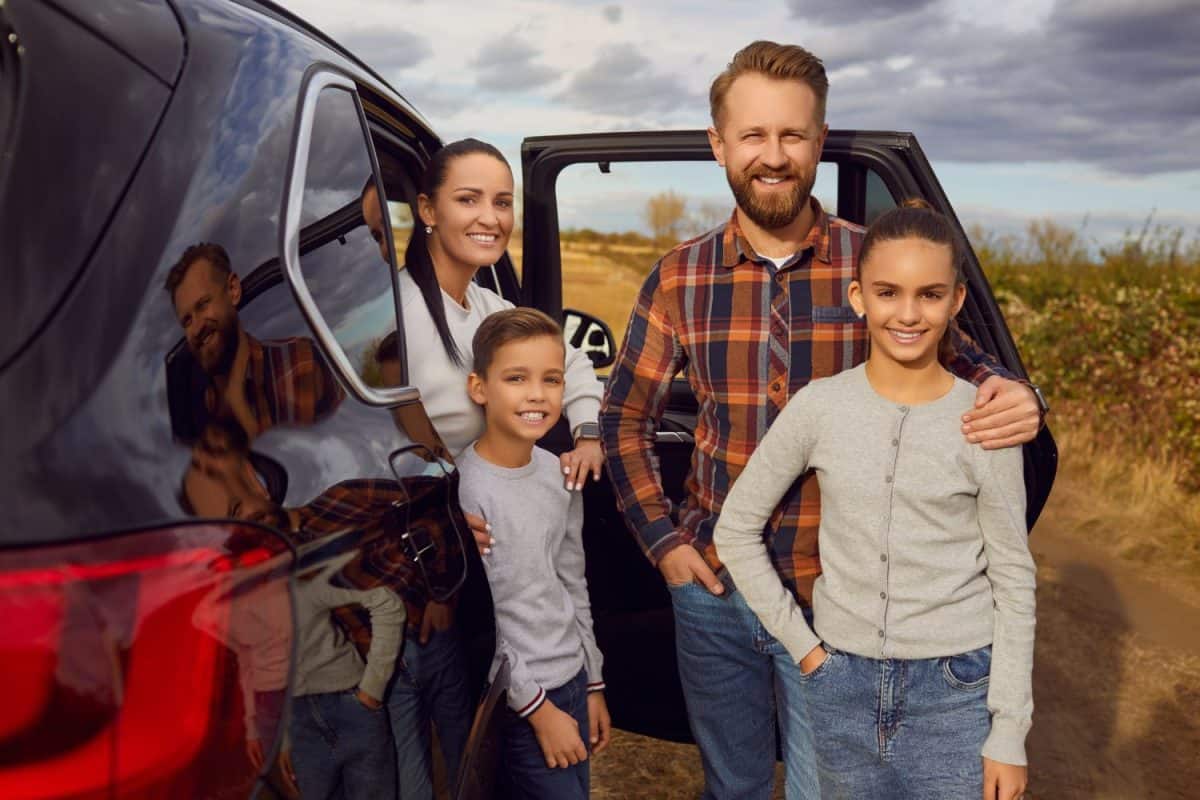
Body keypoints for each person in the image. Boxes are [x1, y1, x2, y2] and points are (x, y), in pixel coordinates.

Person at [599, 41, 1045, 799]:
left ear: (818, 139)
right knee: (732, 786)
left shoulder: (872, 263)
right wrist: (666, 546)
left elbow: (962, 362)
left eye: (792, 135)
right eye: (753, 135)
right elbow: (623, 421)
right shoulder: (680, 275)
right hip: (712, 589)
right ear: (719, 145)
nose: (773, 156)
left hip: (833, 602)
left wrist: (1016, 394)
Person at [714, 200, 1035, 800]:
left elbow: (1014, 578)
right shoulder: (819, 407)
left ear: (956, 302)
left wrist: (1009, 733)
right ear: (859, 296)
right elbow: (734, 529)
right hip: (842, 685)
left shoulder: (983, 421)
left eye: (930, 295)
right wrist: (806, 651)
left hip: (957, 692)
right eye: (888, 293)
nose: (908, 314)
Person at [456, 308, 611, 799]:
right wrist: (539, 710)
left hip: (571, 677)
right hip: (520, 701)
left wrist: (592, 682)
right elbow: (485, 622)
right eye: (516, 378)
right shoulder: (467, 493)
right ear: (479, 388)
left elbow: (571, 582)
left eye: (551, 380)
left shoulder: (557, 475)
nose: (537, 395)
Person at [165, 242, 343, 440]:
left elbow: (353, 446)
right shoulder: (187, 422)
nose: (197, 328)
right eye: (187, 321)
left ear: (233, 290)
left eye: (203, 304)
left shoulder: (300, 361)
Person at [285, 553, 406, 800]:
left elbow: (386, 603)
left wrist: (372, 689)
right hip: (298, 721)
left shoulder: (307, 578)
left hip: (350, 703)